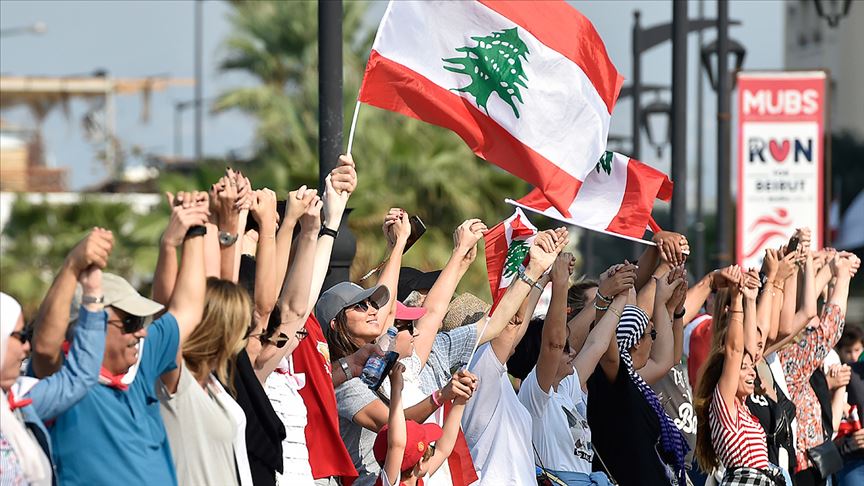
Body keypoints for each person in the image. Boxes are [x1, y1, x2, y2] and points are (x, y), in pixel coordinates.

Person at [42, 192, 208, 485]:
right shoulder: (65, 380)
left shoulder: (140, 361)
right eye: (130, 322)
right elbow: (44, 347)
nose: (141, 331)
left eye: (140, 321)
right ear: (88, 324)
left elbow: (188, 311)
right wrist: (72, 267)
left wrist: (194, 231)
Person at [461, 228, 568, 485]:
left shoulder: (493, 375)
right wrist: (531, 265)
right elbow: (512, 324)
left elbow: (516, 323)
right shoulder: (479, 364)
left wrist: (544, 276)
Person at [518, 255, 631, 485]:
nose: (572, 352)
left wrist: (619, 297)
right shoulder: (536, 395)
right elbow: (554, 343)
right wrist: (560, 283)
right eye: (566, 349)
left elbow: (596, 344)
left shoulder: (566, 388)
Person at [587, 270, 690, 486]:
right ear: (635, 342)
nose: (654, 341)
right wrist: (609, 299)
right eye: (650, 334)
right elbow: (608, 352)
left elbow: (665, 360)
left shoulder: (634, 379)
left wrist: (665, 305)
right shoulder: (614, 378)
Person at [158, 277, 255, 486]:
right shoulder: (179, 381)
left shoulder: (211, 382)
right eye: (246, 327)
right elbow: (167, 318)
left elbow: (224, 276)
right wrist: (169, 246)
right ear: (227, 329)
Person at [694, 271, 787, 485]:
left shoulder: (741, 405)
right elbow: (735, 351)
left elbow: (750, 349)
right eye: (743, 369)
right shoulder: (724, 404)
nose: (752, 372)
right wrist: (736, 300)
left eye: (750, 368)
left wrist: (752, 299)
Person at [374, 362, 475, 486]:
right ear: (420, 463)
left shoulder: (417, 479)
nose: (434, 450)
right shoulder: (390, 483)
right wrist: (396, 388)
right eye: (430, 449)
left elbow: (443, 449)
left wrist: (462, 398)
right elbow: (397, 445)